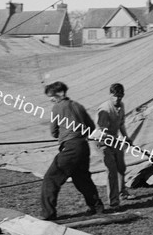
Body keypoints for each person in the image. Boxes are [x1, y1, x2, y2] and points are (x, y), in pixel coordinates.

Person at [40, 81, 104, 220]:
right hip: (83, 146)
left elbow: (54, 131)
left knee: (50, 179)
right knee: (82, 179)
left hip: (70, 147)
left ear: (60, 93)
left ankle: (48, 214)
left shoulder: (57, 107)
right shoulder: (78, 106)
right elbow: (91, 128)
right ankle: (97, 207)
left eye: (52, 96)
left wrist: (66, 134)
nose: (51, 99)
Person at [94, 83, 132, 207]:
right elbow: (102, 132)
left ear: (123, 96)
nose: (117, 99)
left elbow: (120, 124)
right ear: (110, 95)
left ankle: (122, 192)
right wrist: (115, 139)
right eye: (115, 96)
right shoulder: (104, 109)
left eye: (120, 96)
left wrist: (126, 137)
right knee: (112, 170)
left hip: (114, 140)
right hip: (102, 142)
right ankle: (114, 201)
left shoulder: (121, 106)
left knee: (121, 166)